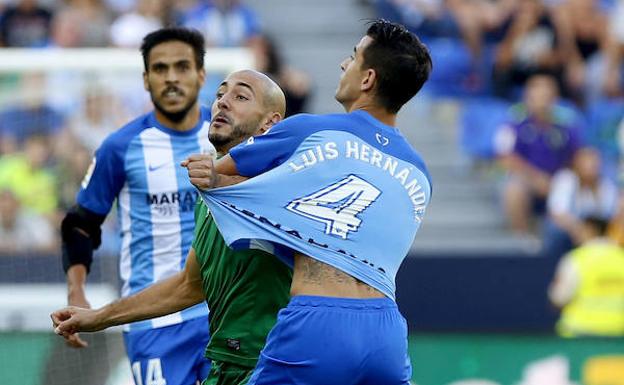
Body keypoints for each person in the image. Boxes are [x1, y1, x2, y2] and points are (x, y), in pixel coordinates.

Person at [184, 19, 432, 384]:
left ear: (367, 79)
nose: (343, 65)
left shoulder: (308, 129)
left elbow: (216, 177)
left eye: (352, 58)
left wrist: (209, 174)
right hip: (387, 332)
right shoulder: (420, 172)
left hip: (318, 323)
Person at [51, 69, 292, 385]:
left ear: (269, 123)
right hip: (227, 363)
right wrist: (99, 317)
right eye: (220, 94)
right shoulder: (208, 195)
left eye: (240, 96)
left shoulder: (285, 181)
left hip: (272, 364)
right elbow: (189, 285)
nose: (222, 103)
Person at [58, 27, 215, 385]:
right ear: (145, 80)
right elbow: (80, 224)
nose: (172, 78)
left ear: (201, 75)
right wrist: (76, 290)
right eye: (160, 69)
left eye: (182, 67)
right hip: (153, 321)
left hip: (227, 315)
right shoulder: (121, 147)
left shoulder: (229, 137)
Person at [494, 74, 581, 236]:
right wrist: (536, 179)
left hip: (557, 180)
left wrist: (556, 180)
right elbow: (505, 158)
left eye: (547, 96)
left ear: (555, 98)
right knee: (513, 189)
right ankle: (522, 240)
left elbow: (577, 156)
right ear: (527, 97)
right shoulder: (513, 120)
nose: (542, 102)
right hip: (527, 180)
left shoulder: (567, 123)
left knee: (568, 181)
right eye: (537, 96)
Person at [549, 216, 624, 337]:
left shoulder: (576, 259)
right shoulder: (621, 258)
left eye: (580, 229)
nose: (575, 233)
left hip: (579, 333)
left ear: (591, 230)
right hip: (619, 336)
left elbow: (559, 298)